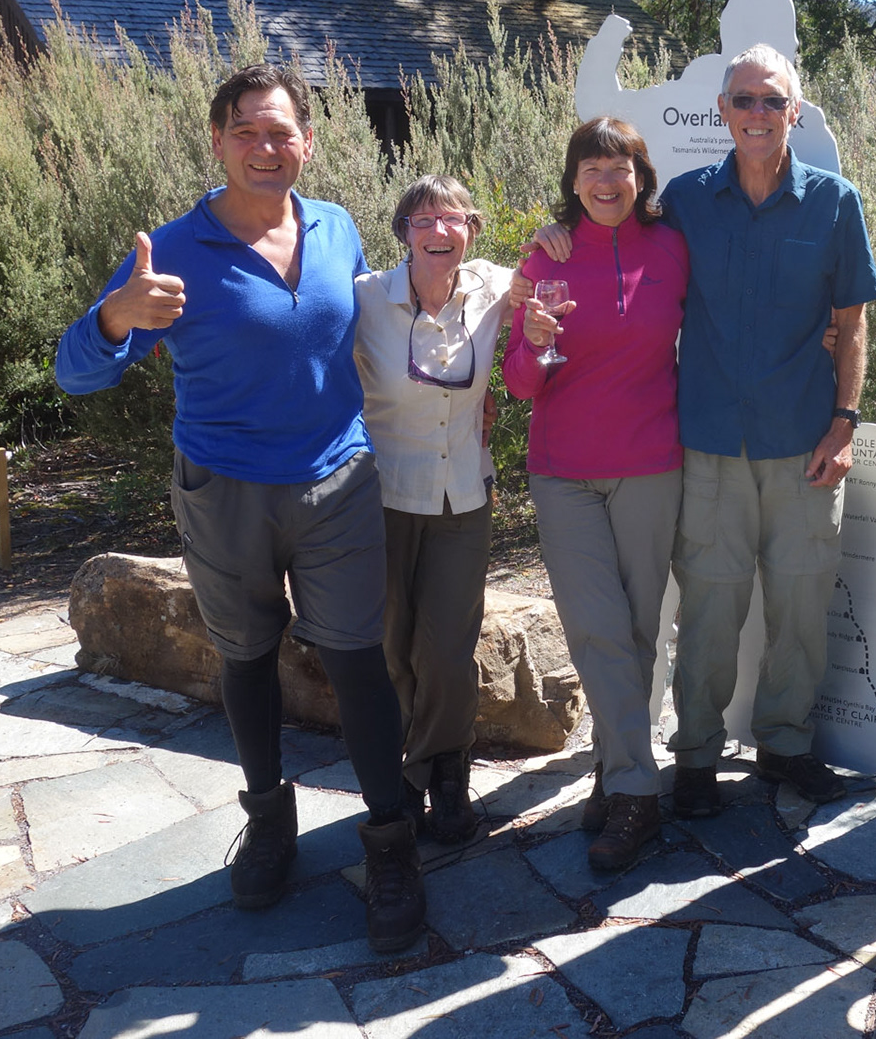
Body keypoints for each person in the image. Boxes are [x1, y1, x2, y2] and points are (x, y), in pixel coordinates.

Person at [54, 64, 425, 953]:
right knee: (247, 657)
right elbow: (73, 373)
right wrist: (115, 317)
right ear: (218, 141)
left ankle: (391, 846)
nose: (266, 147)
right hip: (224, 491)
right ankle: (267, 826)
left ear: (308, 141)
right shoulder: (171, 249)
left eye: (281, 131)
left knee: (358, 662)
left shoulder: (335, 227)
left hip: (337, 483)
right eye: (247, 131)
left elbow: (374, 329)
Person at [529, 44, 876, 820]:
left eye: (771, 99)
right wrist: (557, 232)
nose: (757, 113)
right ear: (722, 111)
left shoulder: (835, 202)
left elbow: (852, 324)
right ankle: (694, 757)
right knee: (711, 611)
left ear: (794, 111)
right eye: (743, 100)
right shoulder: (685, 203)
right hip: (709, 443)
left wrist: (845, 424)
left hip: (805, 442)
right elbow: (612, 225)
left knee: (799, 604)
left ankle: (785, 743)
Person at [504, 118, 688, 871]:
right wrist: (533, 339)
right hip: (564, 472)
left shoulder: (673, 248)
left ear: (641, 179)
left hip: (651, 463)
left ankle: (614, 771)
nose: (607, 182)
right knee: (596, 628)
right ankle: (638, 792)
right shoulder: (546, 255)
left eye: (621, 169)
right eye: (592, 168)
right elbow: (520, 384)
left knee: (639, 630)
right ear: (574, 180)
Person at [352, 176, 513, 845]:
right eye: (424, 219)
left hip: (463, 494)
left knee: (447, 648)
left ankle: (443, 769)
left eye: (454, 218)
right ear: (404, 232)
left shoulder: (495, 288)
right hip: (382, 494)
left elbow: (558, 277)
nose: (439, 230)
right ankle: (405, 771)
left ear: (472, 230)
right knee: (391, 646)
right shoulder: (366, 298)